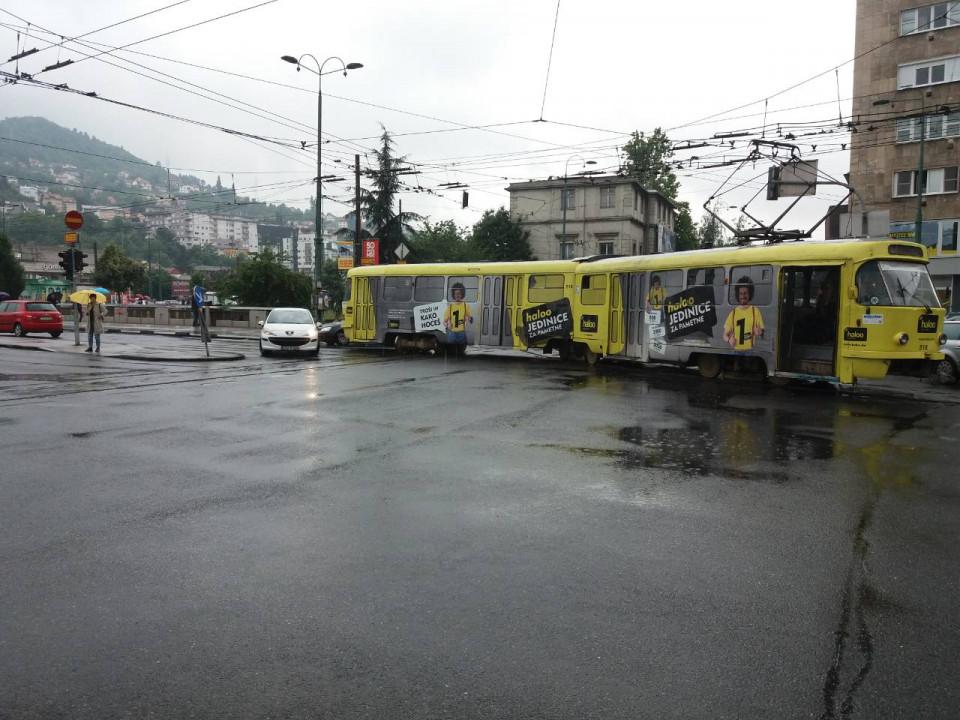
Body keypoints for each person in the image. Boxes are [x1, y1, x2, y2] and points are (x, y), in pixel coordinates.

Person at [723, 276, 765, 351]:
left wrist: (760, 332)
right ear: (738, 295)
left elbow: (761, 331)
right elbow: (724, 335)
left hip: (751, 351)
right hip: (736, 351)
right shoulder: (733, 313)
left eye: (745, 293)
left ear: (749, 294)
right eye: (741, 294)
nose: (743, 296)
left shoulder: (755, 311)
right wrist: (729, 340)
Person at [444, 282, 473, 350]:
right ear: (453, 295)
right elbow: (444, 321)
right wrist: (447, 325)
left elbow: (471, 319)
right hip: (452, 333)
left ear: (462, 294)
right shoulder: (450, 307)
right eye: (456, 293)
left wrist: (469, 318)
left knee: (461, 350)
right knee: (451, 349)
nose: (457, 295)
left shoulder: (466, 306)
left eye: (459, 293)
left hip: (461, 333)